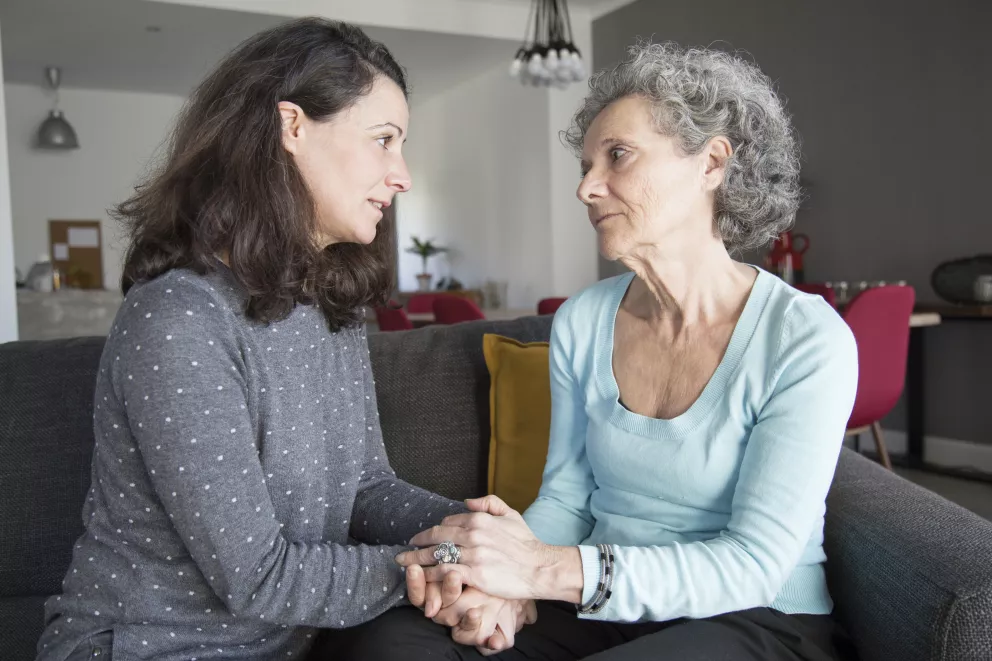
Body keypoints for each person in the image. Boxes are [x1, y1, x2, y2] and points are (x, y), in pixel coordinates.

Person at [341, 41, 860, 661]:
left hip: (753, 615)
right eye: (587, 165)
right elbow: (565, 497)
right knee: (391, 641)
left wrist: (542, 573)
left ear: (712, 163)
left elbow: (753, 562)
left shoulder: (803, 338)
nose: (588, 187)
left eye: (618, 156)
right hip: (602, 602)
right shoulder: (584, 320)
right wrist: (500, 586)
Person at [35, 17, 532, 661]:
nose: (402, 173)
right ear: (291, 126)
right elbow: (258, 576)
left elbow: (367, 488)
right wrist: (444, 563)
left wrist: (479, 543)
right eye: (383, 139)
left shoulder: (331, 306)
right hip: (152, 647)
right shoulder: (178, 320)